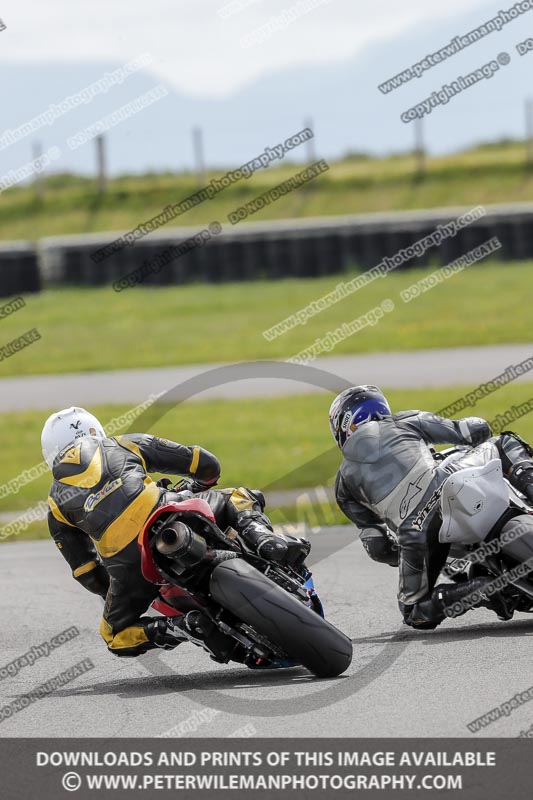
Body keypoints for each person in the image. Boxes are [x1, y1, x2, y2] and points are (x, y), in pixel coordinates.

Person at [42, 406, 309, 659]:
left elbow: (88, 575)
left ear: (51, 452)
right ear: (96, 430)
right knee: (237, 496)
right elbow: (204, 462)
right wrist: (203, 482)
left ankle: (180, 626)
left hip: (128, 562)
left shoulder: (55, 504)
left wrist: (119, 587)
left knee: (114, 636)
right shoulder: (122, 443)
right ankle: (263, 539)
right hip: (167, 509)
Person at [329, 385, 533, 630]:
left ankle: (477, 589)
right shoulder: (404, 421)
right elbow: (471, 430)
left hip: (417, 532)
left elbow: (377, 546)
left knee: (414, 612)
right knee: (503, 442)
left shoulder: (343, 484)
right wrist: (479, 425)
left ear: (342, 427)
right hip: (449, 479)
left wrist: (402, 553)